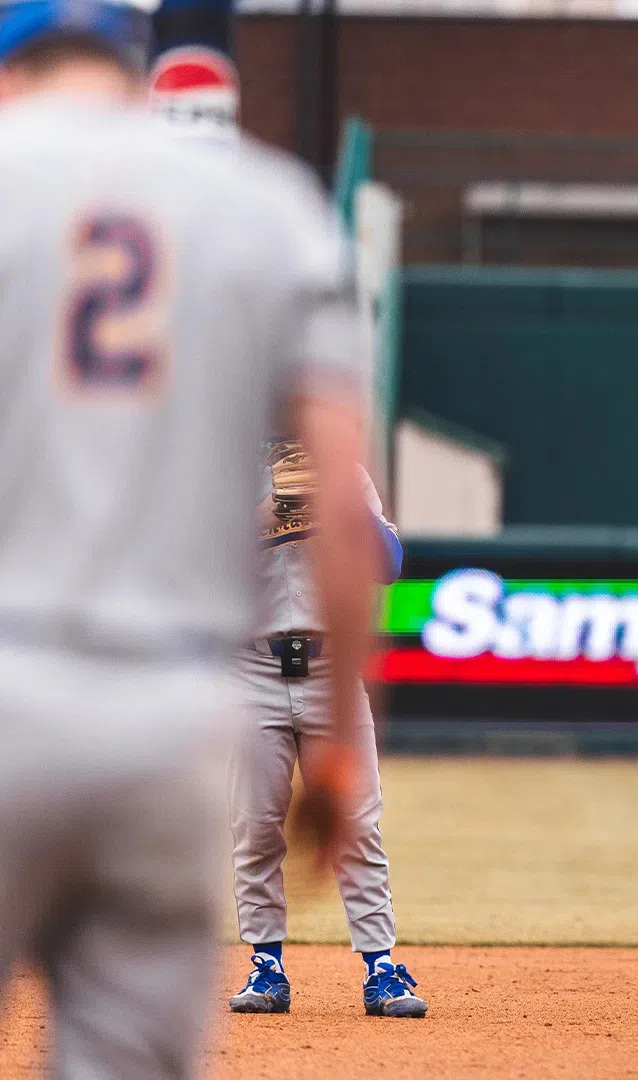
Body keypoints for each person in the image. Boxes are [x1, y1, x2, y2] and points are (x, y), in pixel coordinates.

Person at [0, 2, 377, 1076]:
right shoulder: (271, 204)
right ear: (139, 71)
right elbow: (341, 492)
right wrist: (341, 748)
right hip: (174, 710)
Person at [224, 442, 424, 1018]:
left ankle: (381, 969)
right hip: (253, 668)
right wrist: (264, 511)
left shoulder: (347, 474)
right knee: (255, 825)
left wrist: (341, 503)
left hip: (330, 669)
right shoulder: (229, 473)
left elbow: (388, 564)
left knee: (358, 823)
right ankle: (266, 966)